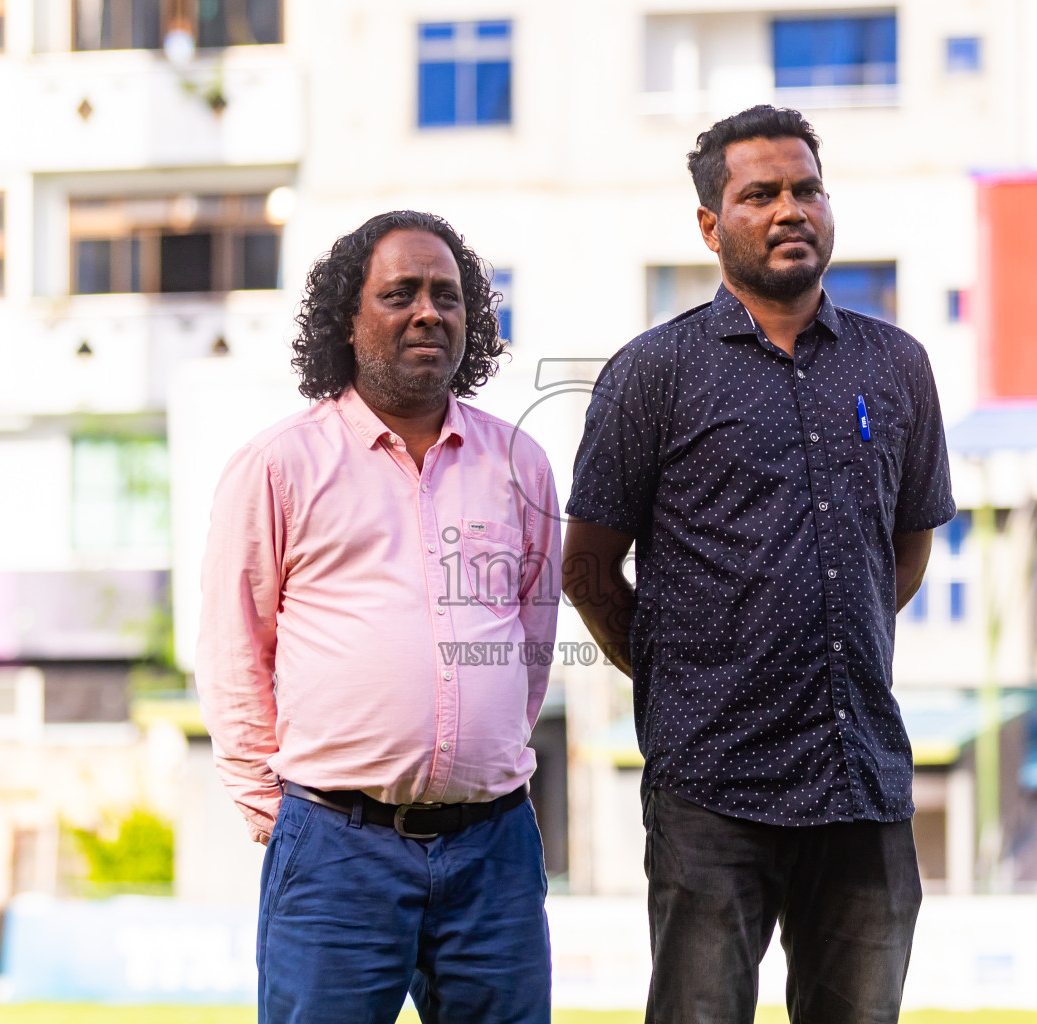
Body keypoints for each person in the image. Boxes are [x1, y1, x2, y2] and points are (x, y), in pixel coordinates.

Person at [562, 106, 956, 1024]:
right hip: (712, 787)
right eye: (761, 194)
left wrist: (833, 643)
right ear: (710, 225)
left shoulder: (896, 364)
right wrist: (679, 673)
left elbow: (908, 546)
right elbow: (586, 567)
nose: (791, 209)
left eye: (808, 189)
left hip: (861, 778)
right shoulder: (654, 372)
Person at [197, 210, 560, 1024]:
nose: (430, 311)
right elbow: (232, 650)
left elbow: (531, 646)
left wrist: (478, 753)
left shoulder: (519, 462)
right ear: (347, 320)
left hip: (494, 852)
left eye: (448, 295)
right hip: (335, 848)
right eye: (400, 294)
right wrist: (281, 810)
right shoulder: (279, 465)